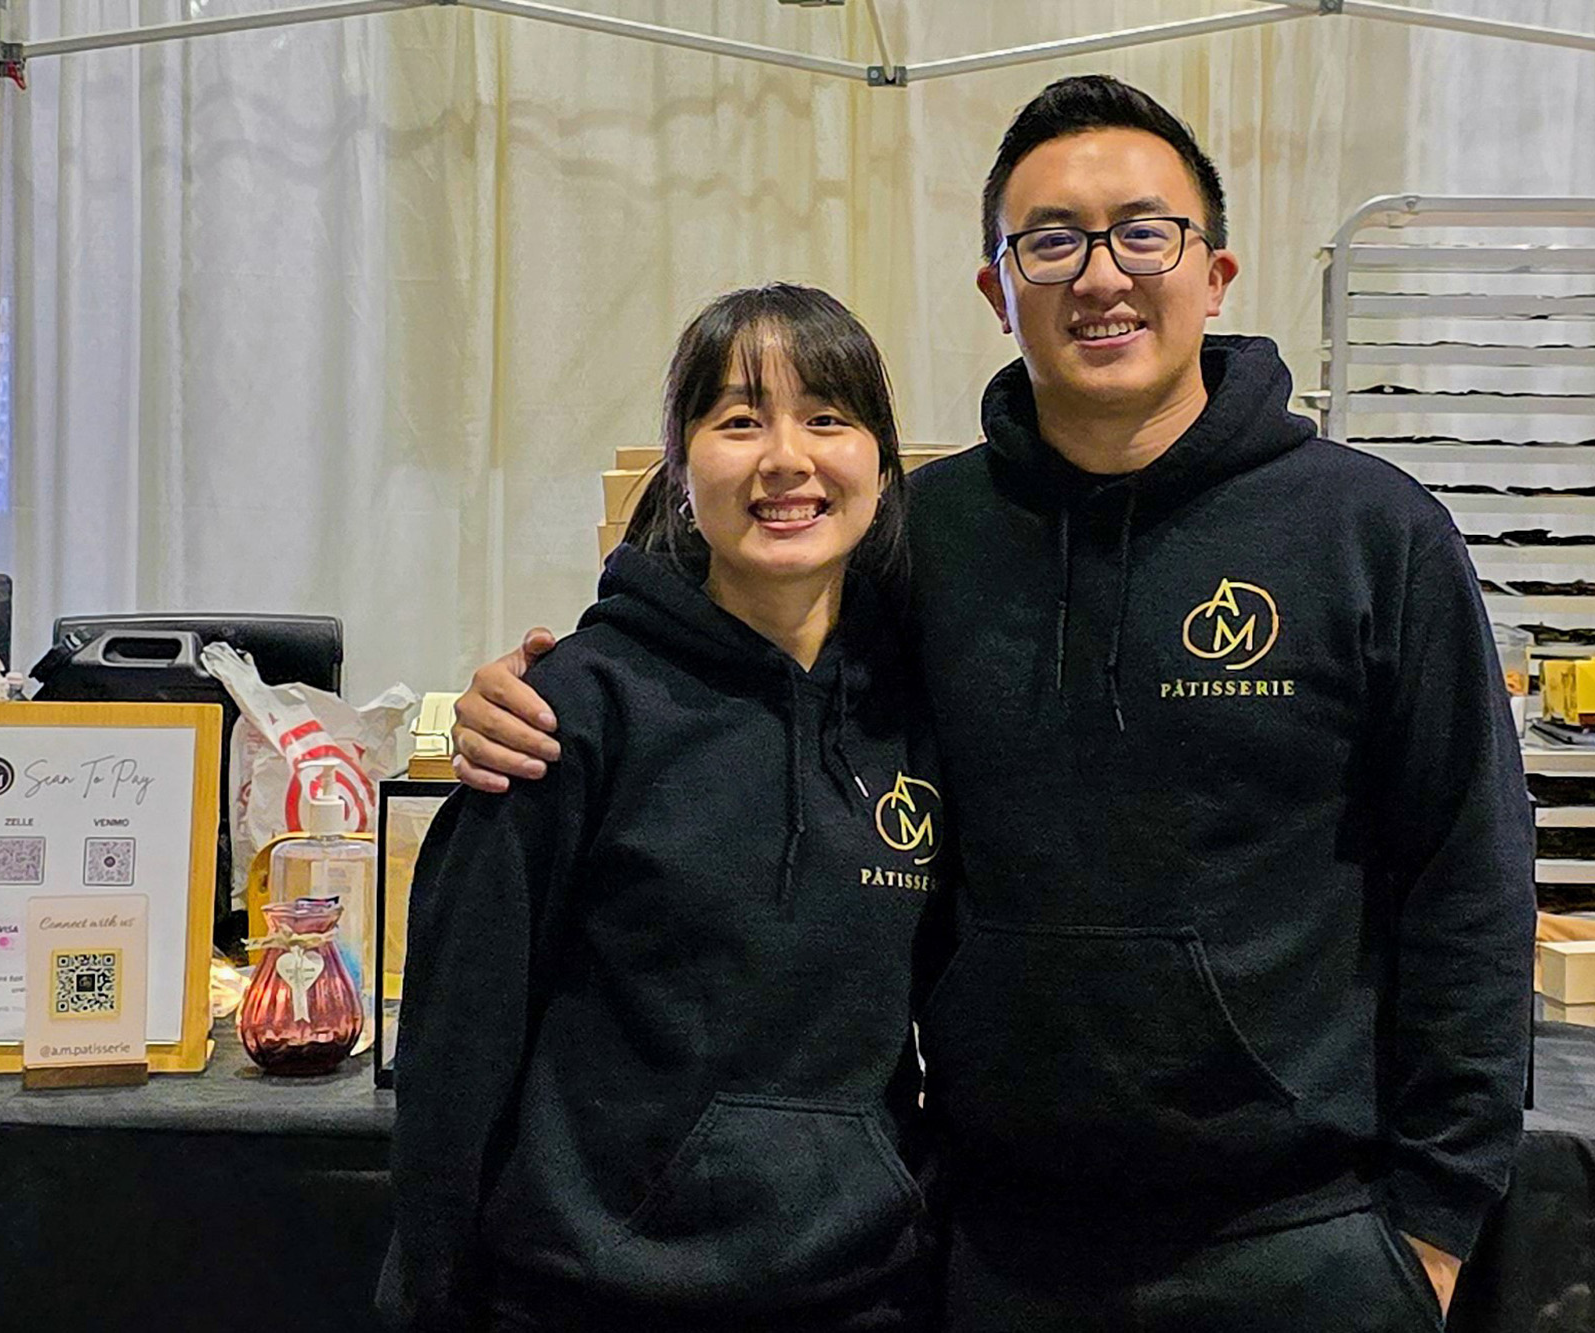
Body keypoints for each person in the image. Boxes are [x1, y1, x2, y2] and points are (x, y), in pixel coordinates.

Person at [454, 76, 1534, 1332]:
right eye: (1050, 241)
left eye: (1144, 232)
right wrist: (548, 685)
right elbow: (750, 665)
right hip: (996, 1249)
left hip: (1305, 1242)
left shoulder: (1369, 532)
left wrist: (1434, 1224)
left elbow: (1470, 873)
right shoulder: (930, 534)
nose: (1100, 275)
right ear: (995, 287)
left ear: (1217, 271)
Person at [378, 284, 946, 1333]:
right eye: (738, 421)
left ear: (878, 461)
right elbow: (459, 1042)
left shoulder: (918, 712)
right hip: (591, 1295)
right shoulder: (569, 712)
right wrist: (430, 1298)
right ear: (680, 472)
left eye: (827, 417)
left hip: (863, 1293)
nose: (786, 458)